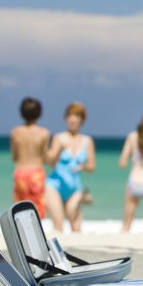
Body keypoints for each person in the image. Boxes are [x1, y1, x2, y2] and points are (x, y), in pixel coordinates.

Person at [45, 102, 96, 232]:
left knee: (76, 228)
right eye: (69, 115)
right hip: (55, 185)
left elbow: (91, 167)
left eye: (76, 116)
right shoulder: (59, 138)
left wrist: (82, 167)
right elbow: (50, 163)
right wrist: (58, 151)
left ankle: (84, 196)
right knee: (59, 227)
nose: (72, 119)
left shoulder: (87, 140)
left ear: (82, 120)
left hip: (74, 187)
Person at [10, 97, 51, 218]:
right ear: (39, 113)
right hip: (36, 173)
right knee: (37, 211)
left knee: (20, 210)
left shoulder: (15, 131)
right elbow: (45, 158)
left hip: (20, 172)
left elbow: (14, 157)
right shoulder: (44, 132)